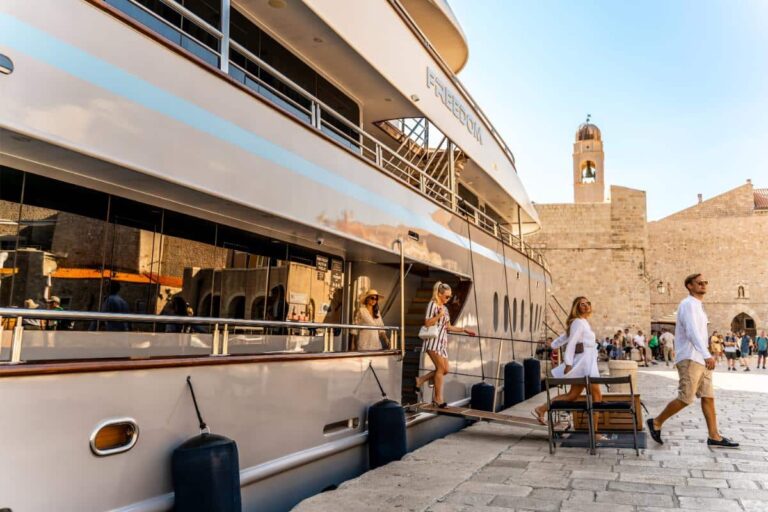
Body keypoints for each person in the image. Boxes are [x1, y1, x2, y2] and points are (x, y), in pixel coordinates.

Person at [646, 274, 738, 447]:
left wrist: (705, 355)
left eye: (705, 282)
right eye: (699, 283)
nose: (703, 285)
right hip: (690, 358)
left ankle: (714, 436)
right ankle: (656, 422)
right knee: (686, 397)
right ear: (689, 286)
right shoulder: (688, 304)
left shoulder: (698, 306)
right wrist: (706, 354)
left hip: (700, 359)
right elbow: (692, 332)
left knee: (708, 397)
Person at [532, 296, 603, 440]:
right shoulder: (578, 322)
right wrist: (568, 363)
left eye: (587, 303)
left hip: (587, 362)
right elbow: (571, 343)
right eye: (582, 304)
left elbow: (565, 336)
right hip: (584, 364)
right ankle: (595, 433)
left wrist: (553, 345)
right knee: (597, 397)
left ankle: (541, 408)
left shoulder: (583, 322)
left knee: (572, 396)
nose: (586, 305)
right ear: (576, 307)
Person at [415, 282, 475, 407]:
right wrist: (439, 315)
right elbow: (427, 323)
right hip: (432, 342)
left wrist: (464, 330)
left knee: (445, 369)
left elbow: (448, 327)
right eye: (446, 296)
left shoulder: (445, 308)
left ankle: (421, 380)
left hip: (442, 343)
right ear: (439, 294)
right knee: (441, 369)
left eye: (450, 297)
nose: (448, 299)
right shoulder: (433, 305)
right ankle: (438, 399)